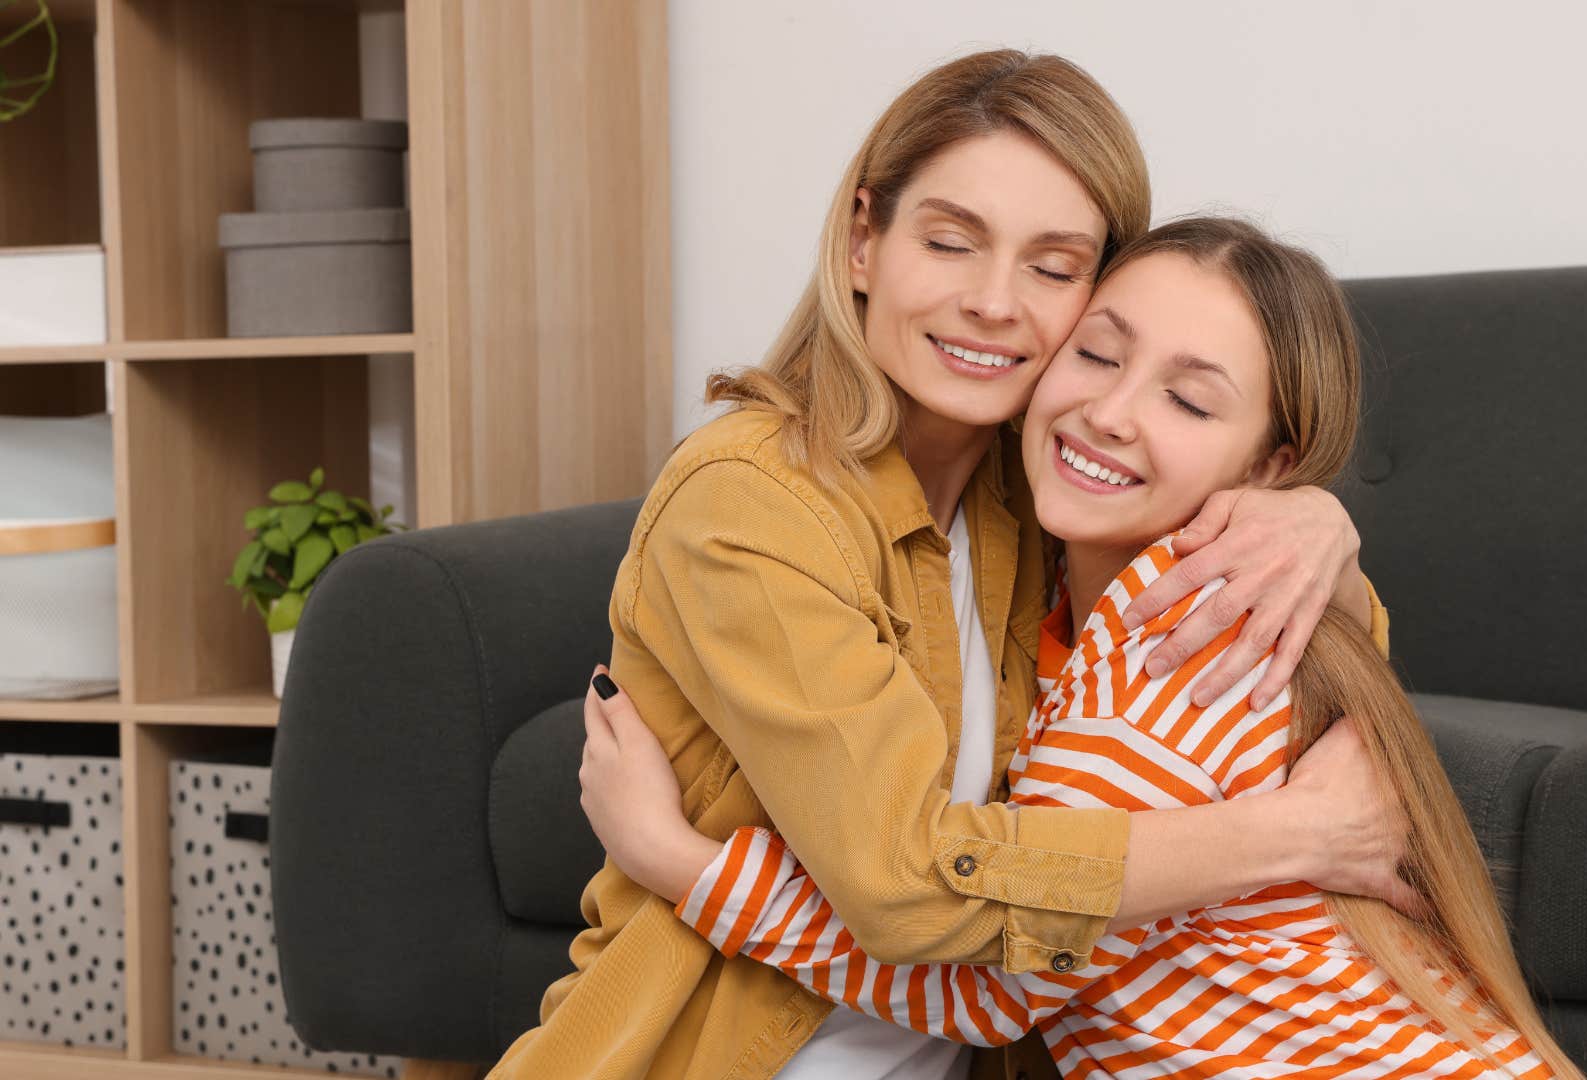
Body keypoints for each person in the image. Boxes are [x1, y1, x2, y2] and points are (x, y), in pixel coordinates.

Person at [491, 51, 1409, 1080]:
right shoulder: (749, 502)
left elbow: (1299, 647)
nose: (993, 302)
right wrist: (1294, 835)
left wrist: (1319, 529)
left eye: (1054, 267)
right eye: (950, 242)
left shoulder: (1042, 490)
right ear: (862, 243)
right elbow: (911, 892)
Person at [588, 218, 1586, 1078]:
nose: (1110, 414)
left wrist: (680, 860)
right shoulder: (1060, 579)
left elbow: (985, 992)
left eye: (1189, 402)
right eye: (1099, 355)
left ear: (1268, 464)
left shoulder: (1164, 661)